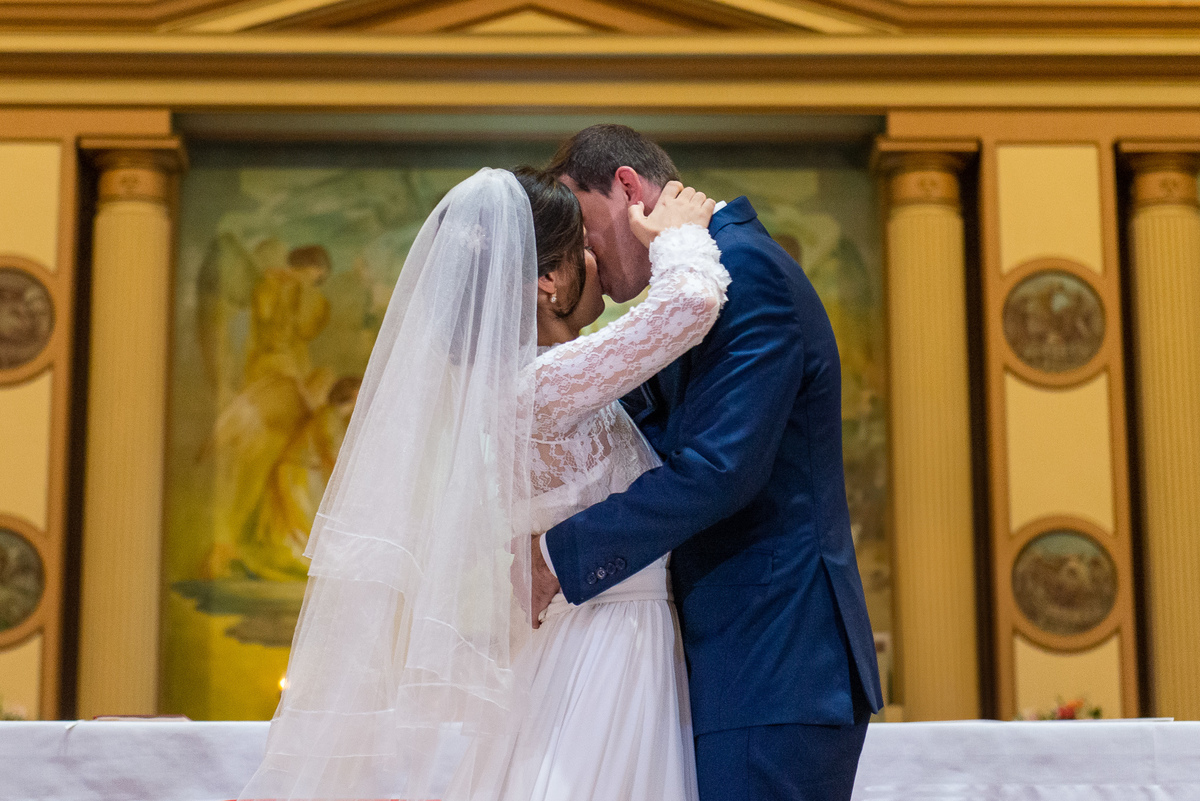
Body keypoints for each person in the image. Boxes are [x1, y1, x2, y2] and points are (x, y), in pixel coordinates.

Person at [239, 166, 728, 801]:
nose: (597, 258)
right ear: (546, 282)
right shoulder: (543, 386)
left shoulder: (535, 379)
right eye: (583, 244)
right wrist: (679, 235)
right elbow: (691, 303)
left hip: (592, 635)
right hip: (608, 646)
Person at [533, 124, 885, 801]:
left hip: (774, 656)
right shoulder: (702, 283)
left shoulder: (745, 273)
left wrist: (554, 557)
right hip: (735, 658)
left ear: (628, 190)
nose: (585, 255)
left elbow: (719, 468)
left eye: (582, 226)